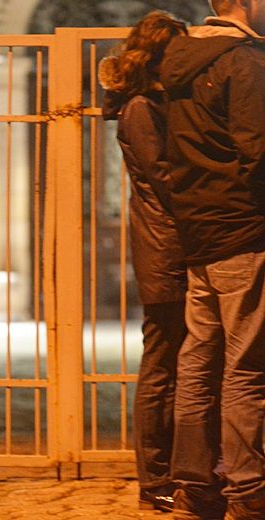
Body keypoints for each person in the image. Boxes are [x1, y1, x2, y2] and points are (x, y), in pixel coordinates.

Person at [158, 1, 265, 518]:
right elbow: (258, 152)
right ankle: (248, 494)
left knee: (198, 364)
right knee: (245, 370)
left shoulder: (177, 62)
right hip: (243, 233)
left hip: (198, 234)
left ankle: (193, 490)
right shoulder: (243, 62)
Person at [98, 10, 189, 513]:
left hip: (167, 244)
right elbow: (165, 177)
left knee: (175, 362)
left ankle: (172, 468)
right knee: (162, 365)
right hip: (164, 248)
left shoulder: (152, 102)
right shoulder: (142, 108)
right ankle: (155, 476)